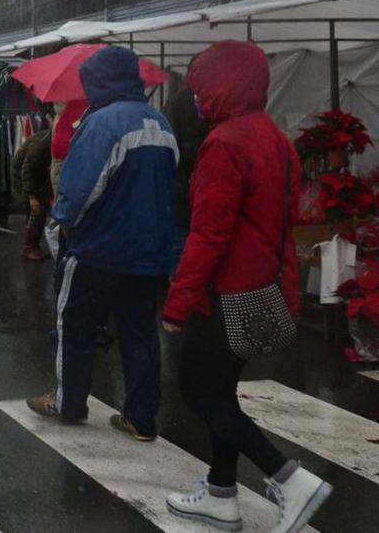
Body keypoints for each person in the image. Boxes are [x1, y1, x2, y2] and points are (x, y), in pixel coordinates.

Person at [162, 41, 332, 533]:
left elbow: (210, 233)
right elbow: (281, 225)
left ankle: (288, 478)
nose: (195, 96)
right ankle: (220, 494)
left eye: (200, 86)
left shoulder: (224, 143)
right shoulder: (276, 139)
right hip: (259, 289)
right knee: (223, 392)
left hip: (221, 294)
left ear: (220, 85)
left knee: (199, 393)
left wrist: (179, 301)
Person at [27, 46, 177, 443]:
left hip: (99, 247)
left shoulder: (100, 123)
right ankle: (141, 417)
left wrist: (63, 223)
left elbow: (80, 191)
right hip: (148, 252)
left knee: (73, 323)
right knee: (140, 332)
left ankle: (68, 401)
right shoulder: (159, 121)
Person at [163, 84, 209, 267]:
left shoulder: (178, 101)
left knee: (181, 261)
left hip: (183, 196)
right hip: (196, 194)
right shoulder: (227, 101)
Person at [10, 127, 53, 261]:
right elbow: (27, 169)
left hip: (37, 175)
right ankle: (28, 248)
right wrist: (32, 196)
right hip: (23, 175)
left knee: (40, 209)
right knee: (37, 210)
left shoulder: (48, 139)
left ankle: (33, 246)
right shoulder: (42, 143)